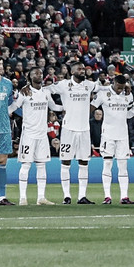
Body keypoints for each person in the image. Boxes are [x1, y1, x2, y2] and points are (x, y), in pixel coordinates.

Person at [49, 62, 98, 204]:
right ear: (72, 72)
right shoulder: (63, 85)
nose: (83, 71)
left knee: (84, 162)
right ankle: (67, 196)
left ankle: (82, 196)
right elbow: (46, 90)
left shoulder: (89, 84)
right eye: (80, 69)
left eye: (84, 69)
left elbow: (103, 87)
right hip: (68, 129)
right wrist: (58, 107)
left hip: (84, 130)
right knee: (66, 162)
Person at [12, 68, 59, 206]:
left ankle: (41, 197)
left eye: (40, 73)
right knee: (26, 165)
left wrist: (67, 107)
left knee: (41, 165)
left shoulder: (46, 92)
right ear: (30, 77)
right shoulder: (24, 92)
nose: (39, 75)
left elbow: (53, 106)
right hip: (29, 134)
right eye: (35, 73)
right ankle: (22, 198)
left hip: (42, 134)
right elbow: (15, 106)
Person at [94, 74, 134, 205]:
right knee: (107, 164)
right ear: (113, 83)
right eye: (118, 87)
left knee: (123, 165)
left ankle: (124, 196)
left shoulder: (128, 95)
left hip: (123, 135)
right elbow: (92, 106)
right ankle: (107, 196)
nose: (120, 90)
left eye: (122, 88)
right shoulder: (103, 94)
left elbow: (130, 112)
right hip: (108, 135)